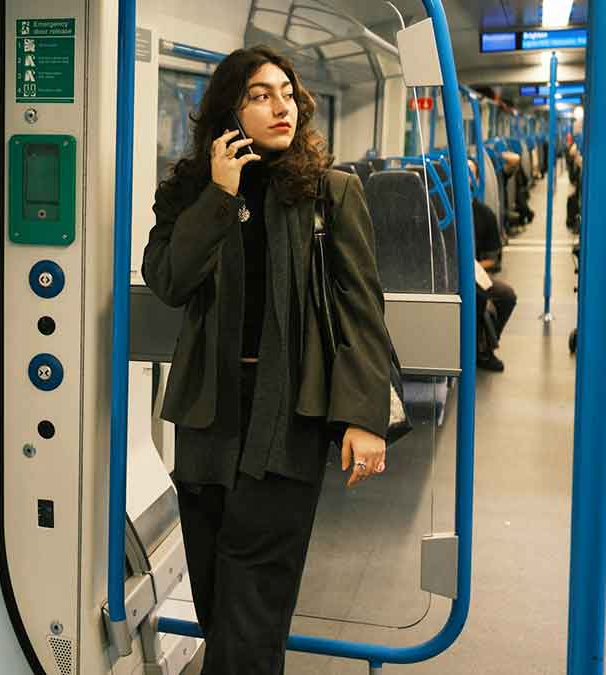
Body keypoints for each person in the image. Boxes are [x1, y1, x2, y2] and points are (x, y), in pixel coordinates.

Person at [142, 46, 391, 674]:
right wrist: (220, 196)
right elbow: (169, 280)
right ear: (231, 108)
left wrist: (364, 417)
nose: (281, 105)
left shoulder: (330, 193)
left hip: (288, 413)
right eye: (259, 94)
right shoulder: (189, 191)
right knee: (217, 599)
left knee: (252, 599)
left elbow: (361, 309)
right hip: (210, 415)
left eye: (286, 92)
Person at [468, 159, 517, 371]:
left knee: (506, 295)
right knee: (477, 298)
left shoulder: (484, 214)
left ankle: (484, 348)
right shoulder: (437, 209)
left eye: (470, 173)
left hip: (474, 271)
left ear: (477, 179)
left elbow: (493, 258)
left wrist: (475, 266)